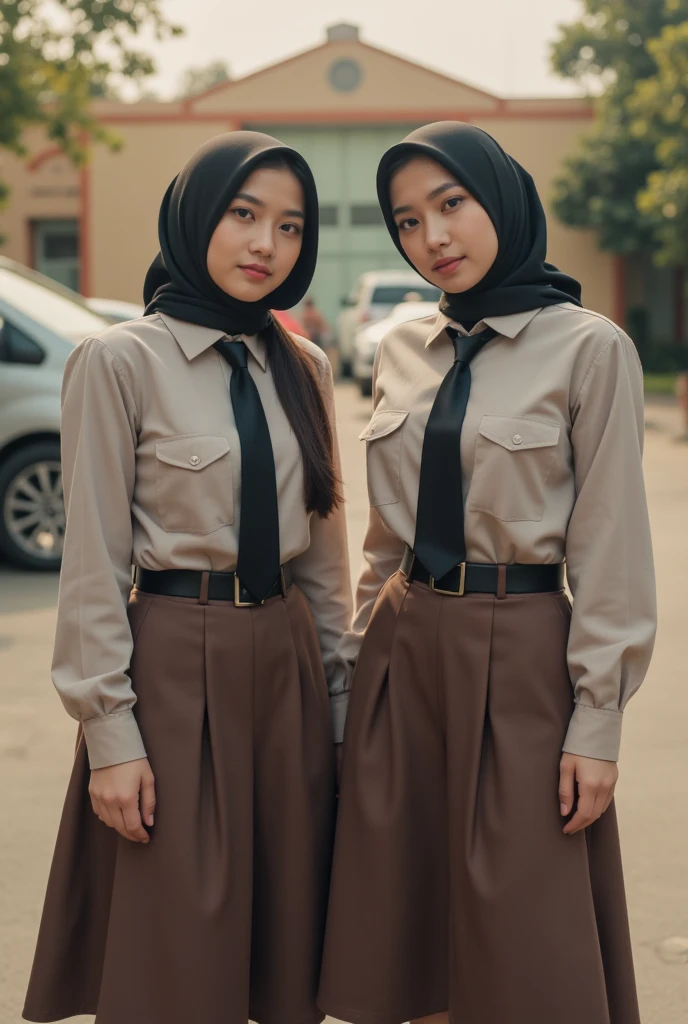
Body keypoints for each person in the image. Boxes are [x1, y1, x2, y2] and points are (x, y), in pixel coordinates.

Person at [318, 122, 656, 1024]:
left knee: (522, 940)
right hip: (402, 652)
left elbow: (612, 549)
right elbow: (383, 546)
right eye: (407, 220)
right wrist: (351, 690)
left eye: (452, 204)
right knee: (408, 935)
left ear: (500, 200)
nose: (433, 236)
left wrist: (599, 721)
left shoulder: (589, 348)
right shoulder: (397, 345)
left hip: (523, 658)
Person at [23, 130, 352, 1024]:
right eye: (244, 216)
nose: (265, 246)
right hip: (171, 670)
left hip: (285, 668)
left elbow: (326, 569)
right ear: (196, 216)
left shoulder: (307, 368)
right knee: (175, 955)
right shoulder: (119, 361)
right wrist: (110, 738)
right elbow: (90, 562)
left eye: (289, 227)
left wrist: (341, 715)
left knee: (288, 951)